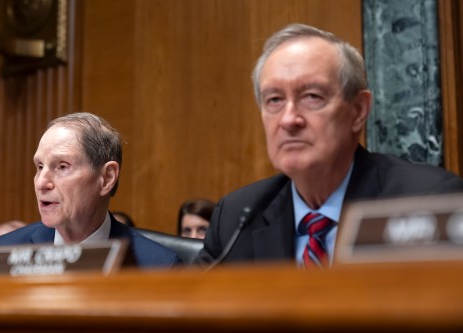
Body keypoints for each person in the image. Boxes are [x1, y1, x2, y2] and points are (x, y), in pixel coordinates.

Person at [194, 23, 463, 268]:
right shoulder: (237, 218)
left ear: (358, 110)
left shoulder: (428, 202)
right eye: (274, 100)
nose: (289, 119)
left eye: (312, 96)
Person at [0, 112, 181, 268]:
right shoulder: (4, 252)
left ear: (107, 178)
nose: (41, 183)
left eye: (62, 167)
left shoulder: (159, 267)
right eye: (40, 167)